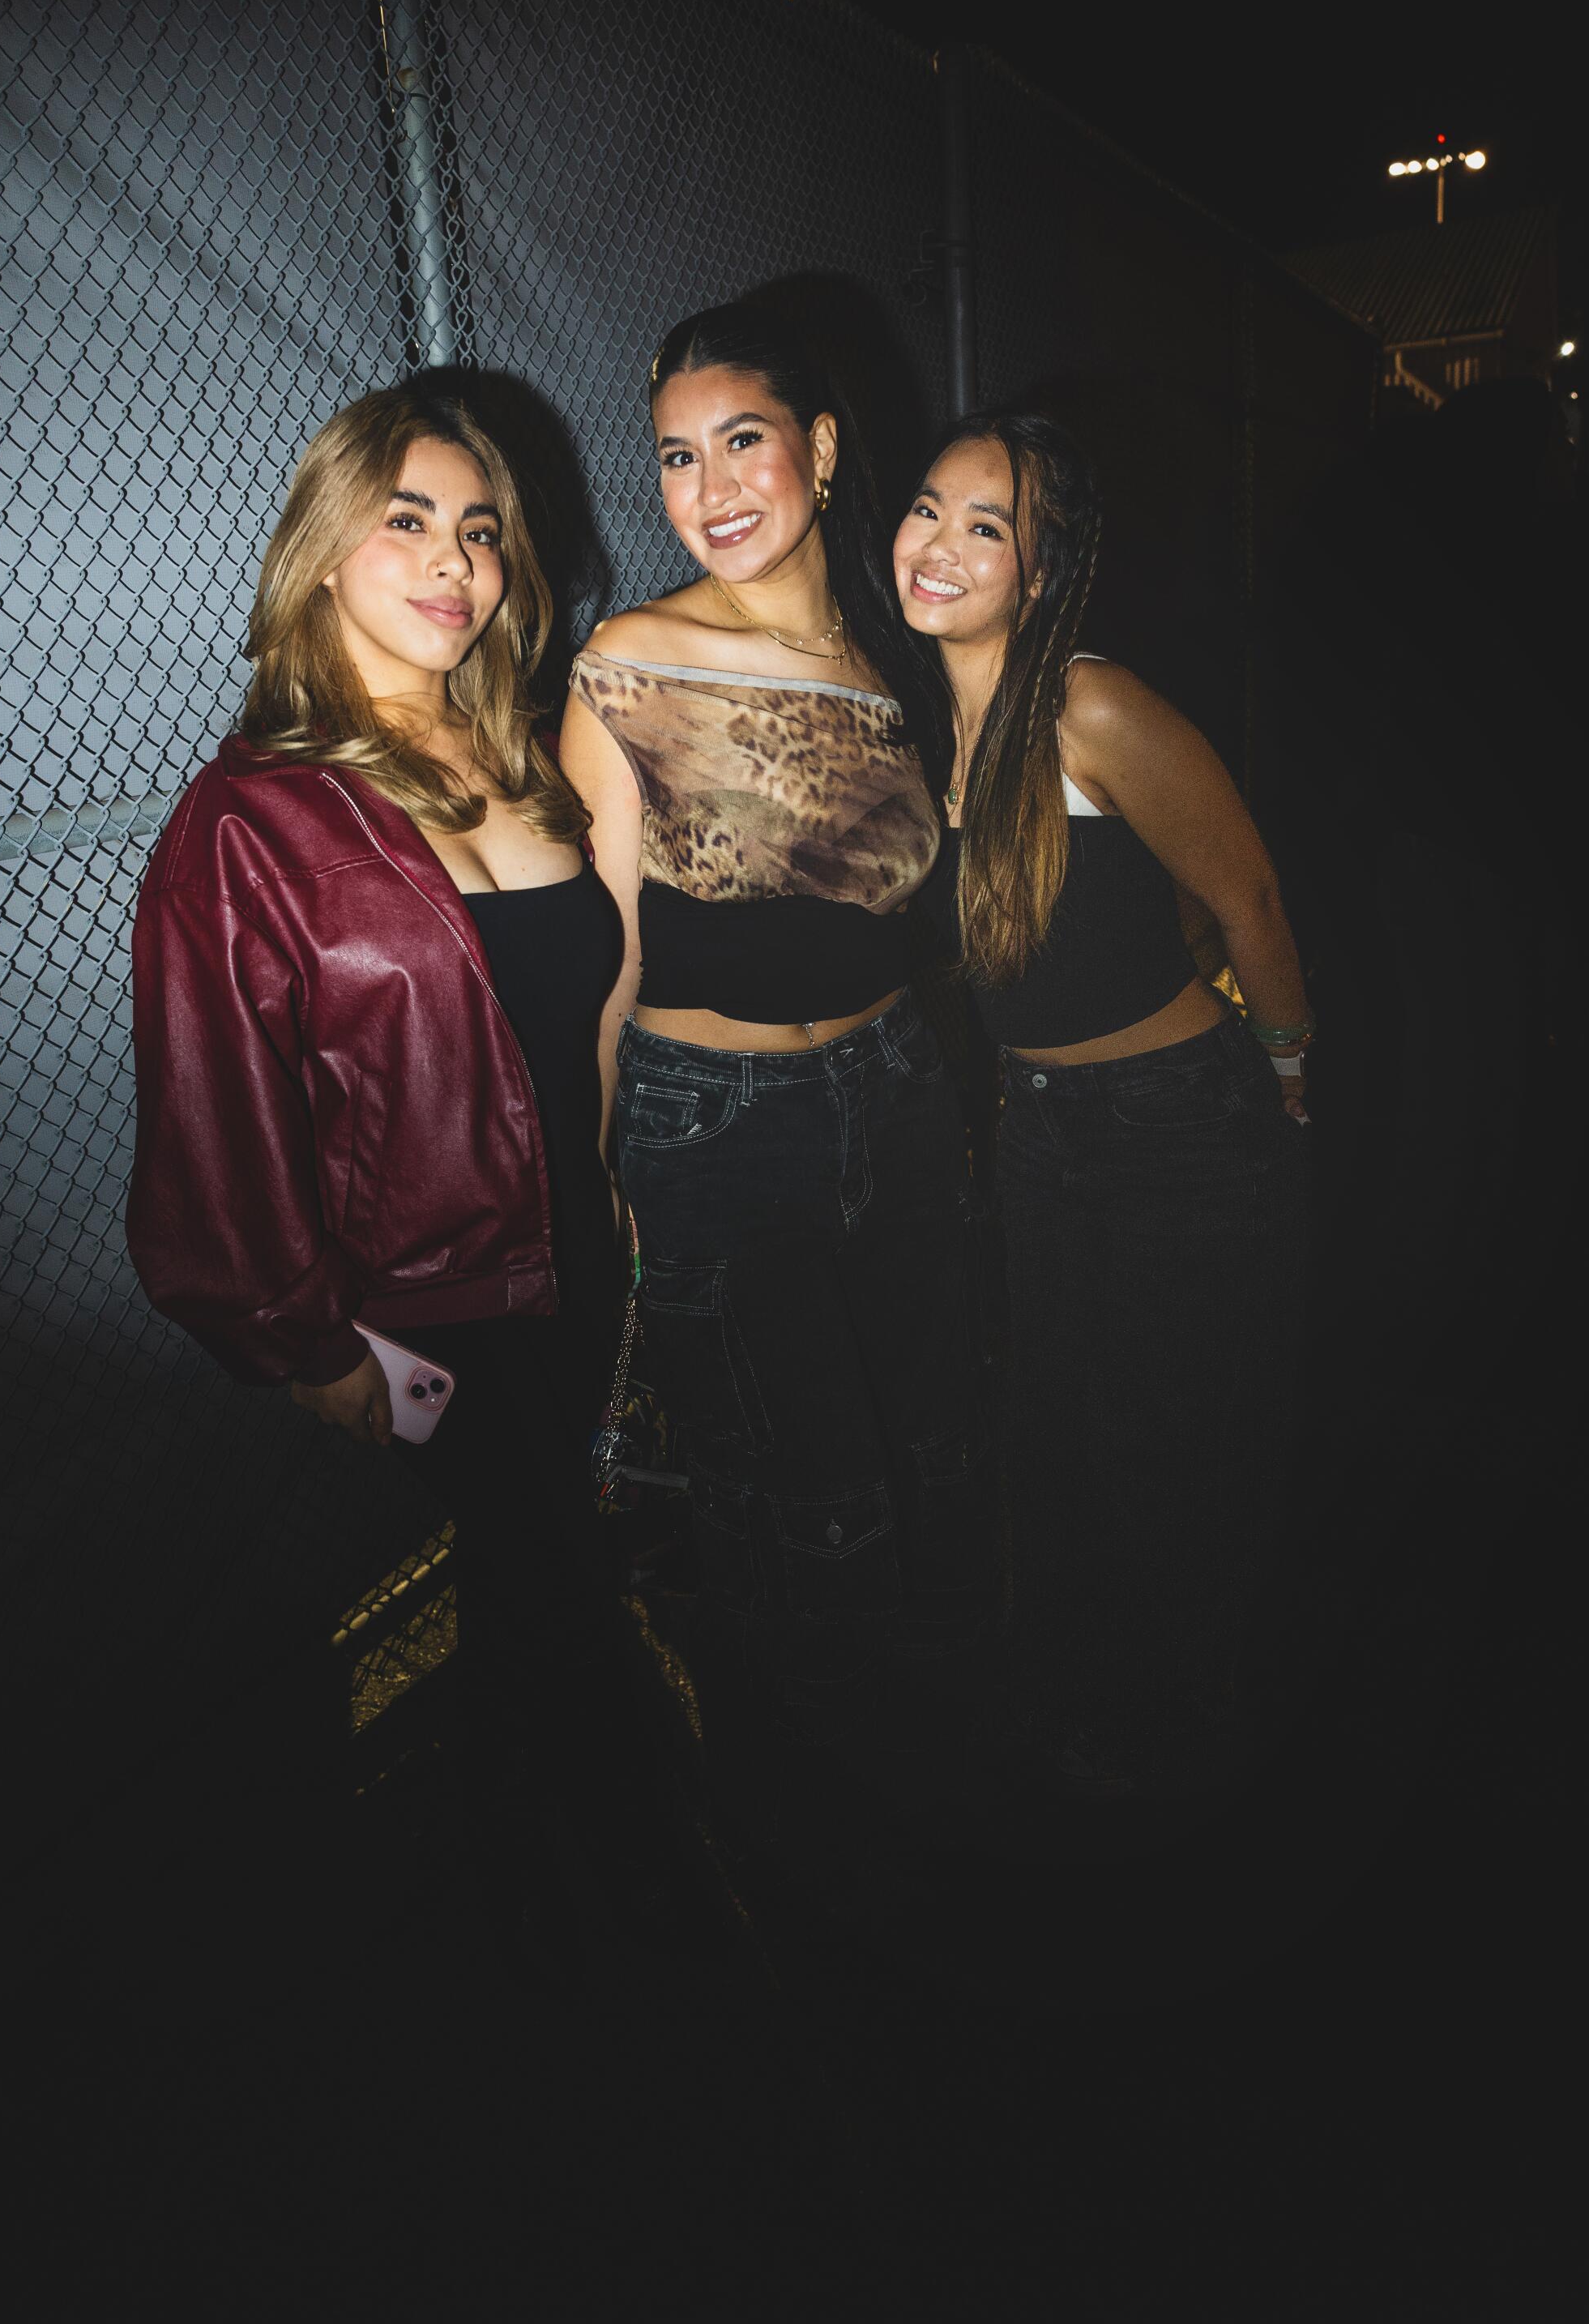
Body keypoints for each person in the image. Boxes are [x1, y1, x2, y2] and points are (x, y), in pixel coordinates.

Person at [125, 387, 632, 1868]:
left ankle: (559, 1862)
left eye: (479, 531)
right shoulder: (248, 821)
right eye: (406, 521)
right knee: (551, 1583)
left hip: (590, 1250)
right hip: (439, 1302)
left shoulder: (532, 759)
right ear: (324, 552)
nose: (452, 562)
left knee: (553, 1574)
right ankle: (560, 1899)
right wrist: (303, 1339)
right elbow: (210, 1110)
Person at [559, 300, 991, 1857]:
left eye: (742, 439)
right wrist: (592, 1172)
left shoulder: (901, 650)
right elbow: (600, 953)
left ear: (816, 445)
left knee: (924, 1435)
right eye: (676, 456)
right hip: (710, 1127)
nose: (709, 486)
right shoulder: (629, 663)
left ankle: (930, 1768)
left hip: (897, 1087)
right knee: (792, 1486)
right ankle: (803, 1809)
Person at [897, 407, 1313, 1800]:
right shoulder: (937, 730)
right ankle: (1072, 1688)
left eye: (987, 527)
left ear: (1040, 567)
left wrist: (1290, 1082)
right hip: (1041, 1135)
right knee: (1059, 1429)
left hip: (1177, 1128)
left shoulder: (1087, 699)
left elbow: (1245, 893)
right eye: (929, 509)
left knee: (1171, 1444)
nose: (940, 546)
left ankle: (1182, 1729)